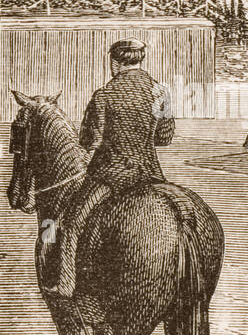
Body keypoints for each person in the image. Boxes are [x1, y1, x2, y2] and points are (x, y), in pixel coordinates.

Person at [45, 38, 174, 299]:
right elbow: (164, 138)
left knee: (71, 223)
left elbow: (90, 141)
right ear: (140, 60)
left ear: (114, 63)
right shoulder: (159, 92)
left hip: (109, 176)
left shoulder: (104, 95)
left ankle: (67, 284)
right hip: (150, 175)